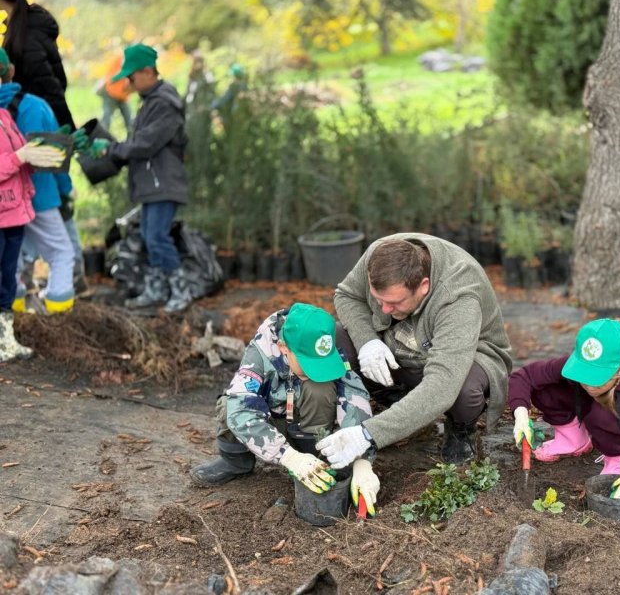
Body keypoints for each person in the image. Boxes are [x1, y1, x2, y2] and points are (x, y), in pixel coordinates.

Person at [316, 233, 513, 469]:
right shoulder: (379, 255)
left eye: (395, 302)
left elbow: (443, 385)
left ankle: (461, 429)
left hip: (465, 358)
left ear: (423, 286)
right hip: (402, 346)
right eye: (379, 300)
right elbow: (347, 295)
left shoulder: (458, 296)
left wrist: (369, 434)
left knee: (463, 392)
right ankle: (399, 401)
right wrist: (367, 341)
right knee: (336, 339)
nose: (385, 309)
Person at [189, 303, 380, 515]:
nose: (316, 370)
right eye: (309, 364)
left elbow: (355, 396)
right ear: (283, 347)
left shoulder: (321, 339)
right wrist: (288, 456)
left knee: (322, 387)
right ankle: (235, 462)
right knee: (228, 406)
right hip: (271, 421)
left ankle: (316, 459)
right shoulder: (261, 351)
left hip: (306, 423)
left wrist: (362, 460)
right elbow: (240, 408)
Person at [508, 318, 620, 498]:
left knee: (601, 415)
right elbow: (524, 376)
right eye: (584, 374)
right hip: (595, 409)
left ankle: (618, 458)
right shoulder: (583, 363)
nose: (588, 385)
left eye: (597, 378)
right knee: (546, 386)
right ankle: (572, 439)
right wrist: (521, 415)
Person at [90, 43, 191, 313]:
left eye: (131, 77)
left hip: (163, 183)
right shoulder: (151, 101)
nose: (129, 84)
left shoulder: (164, 104)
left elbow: (146, 144)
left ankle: (181, 292)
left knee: (157, 237)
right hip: (152, 183)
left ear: (148, 72)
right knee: (150, 236)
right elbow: (140, 142)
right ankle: (156, 289)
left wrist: (112, 150)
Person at [0, 47, 75, 314]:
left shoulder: (6, 113)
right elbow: (56, 159)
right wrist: (67, 190)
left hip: (10, 205)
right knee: (62, 253)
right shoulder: (35, 106)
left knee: (14, 261)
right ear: (11, 71)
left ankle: (15, 317)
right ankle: (60, 312)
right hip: (39, 197)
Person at [0, 100, 65, 361]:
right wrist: (20, 157)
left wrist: (36, 158)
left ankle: (5, 339)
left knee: (6, 280)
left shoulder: (4, 114)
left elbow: (17, 160)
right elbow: (12, 159)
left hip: (13, 213)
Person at [0, 0, 74, 129]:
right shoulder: (21, 25)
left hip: (36, 122)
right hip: (32, 115)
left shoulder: (27, 34)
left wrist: (66, 131)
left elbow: (49, 86)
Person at [98, 49, 132, 136]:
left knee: (129, 119)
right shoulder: (119, 59)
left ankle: (132, 139)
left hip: (123, 96)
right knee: (107, 117)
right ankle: (102, 136)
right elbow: (111, 76)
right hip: (111, 93)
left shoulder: (132, 62)